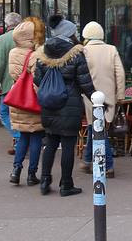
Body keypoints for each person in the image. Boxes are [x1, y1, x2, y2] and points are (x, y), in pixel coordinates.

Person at [33, 16, 95, 197]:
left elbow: (37, 78)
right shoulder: (76, 53)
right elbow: (85, 82)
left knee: (50, 143)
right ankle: (66, 184)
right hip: (70, 104)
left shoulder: (44, 52)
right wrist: (97, 100)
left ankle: (45, 180)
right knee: (68, 145)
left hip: (49, 104)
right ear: (69, 33)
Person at [80, 21, 126, 177]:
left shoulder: (84, 51)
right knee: (99, 129)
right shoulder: (111, 50)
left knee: (96, 129)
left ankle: (108, 165)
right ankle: (87, 160)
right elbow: (120, 74)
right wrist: (120, 96)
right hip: (108, 97)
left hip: (89, 96)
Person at [8, 17, 45, 186]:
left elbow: (15, 75)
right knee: (36, 137)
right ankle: (32, 174)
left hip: (18, 100)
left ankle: (16, 170)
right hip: (32, 101)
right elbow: (38, 81)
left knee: (23, 137)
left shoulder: (13, 52)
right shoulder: (35, 55)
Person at [0, 13, 24, 155]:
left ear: (6, 24)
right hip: (26, 83)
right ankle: (19, 143)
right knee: (23, 114)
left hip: (8, 83)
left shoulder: (1, 40)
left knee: (4, 112)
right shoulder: (28, 39)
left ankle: (19, 137)